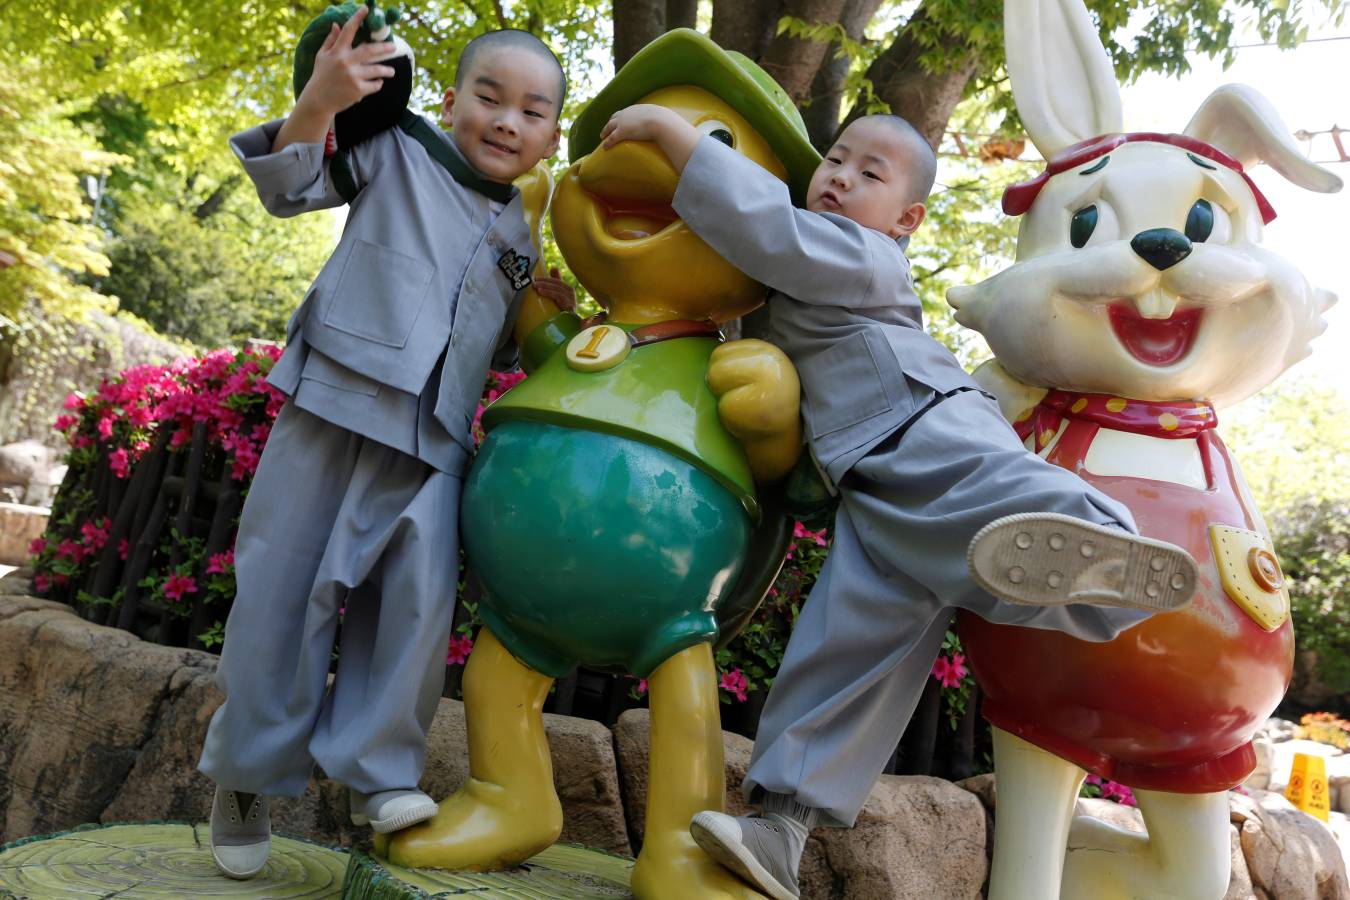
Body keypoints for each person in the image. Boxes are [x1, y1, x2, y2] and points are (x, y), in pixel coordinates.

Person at [598, 106, 1200, 900]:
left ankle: (1105, 547)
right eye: (835, 160)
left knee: (1001, 489)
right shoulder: (791, 277)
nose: (840, 177)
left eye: (868, 173)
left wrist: (679, 139)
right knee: (847, 643)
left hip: (919, 419)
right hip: (868, 480)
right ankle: (782, 830)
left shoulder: (863, 254)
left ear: (906, 221)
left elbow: (767, 229)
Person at [197, 11, 568, 880]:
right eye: (489, 97)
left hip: (435, 444)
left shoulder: (523, 229)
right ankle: (245, 778)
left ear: (553, 134)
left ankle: (380, 773)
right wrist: (320, 101)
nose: (507, 121)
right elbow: (289, 186)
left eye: (533, 111)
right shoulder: (393, 147)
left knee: (413, 612)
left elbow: (491, 342)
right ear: (452, 100)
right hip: (333, 405)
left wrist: (541, 314)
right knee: (279, 600)